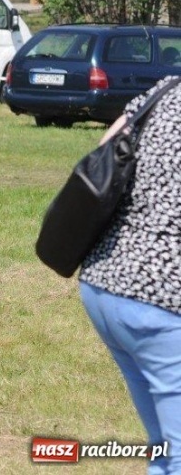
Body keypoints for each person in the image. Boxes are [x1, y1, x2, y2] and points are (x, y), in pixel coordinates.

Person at [79, 75, 181, 475]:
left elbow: (104, 150)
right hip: (160, 303)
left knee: (165, 448)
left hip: (105, 286)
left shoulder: (166, 88)